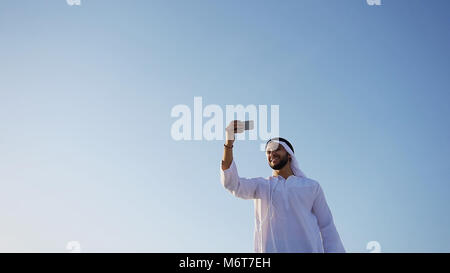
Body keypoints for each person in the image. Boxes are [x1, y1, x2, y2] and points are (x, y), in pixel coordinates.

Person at [220, 120, 345, 253]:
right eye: (268, 152)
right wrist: (228, 144)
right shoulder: (261, 186)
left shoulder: (311, 187)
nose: (271, 153)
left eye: (276, 149)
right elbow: (231, 183)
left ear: (289, 155)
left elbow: (327, 227)